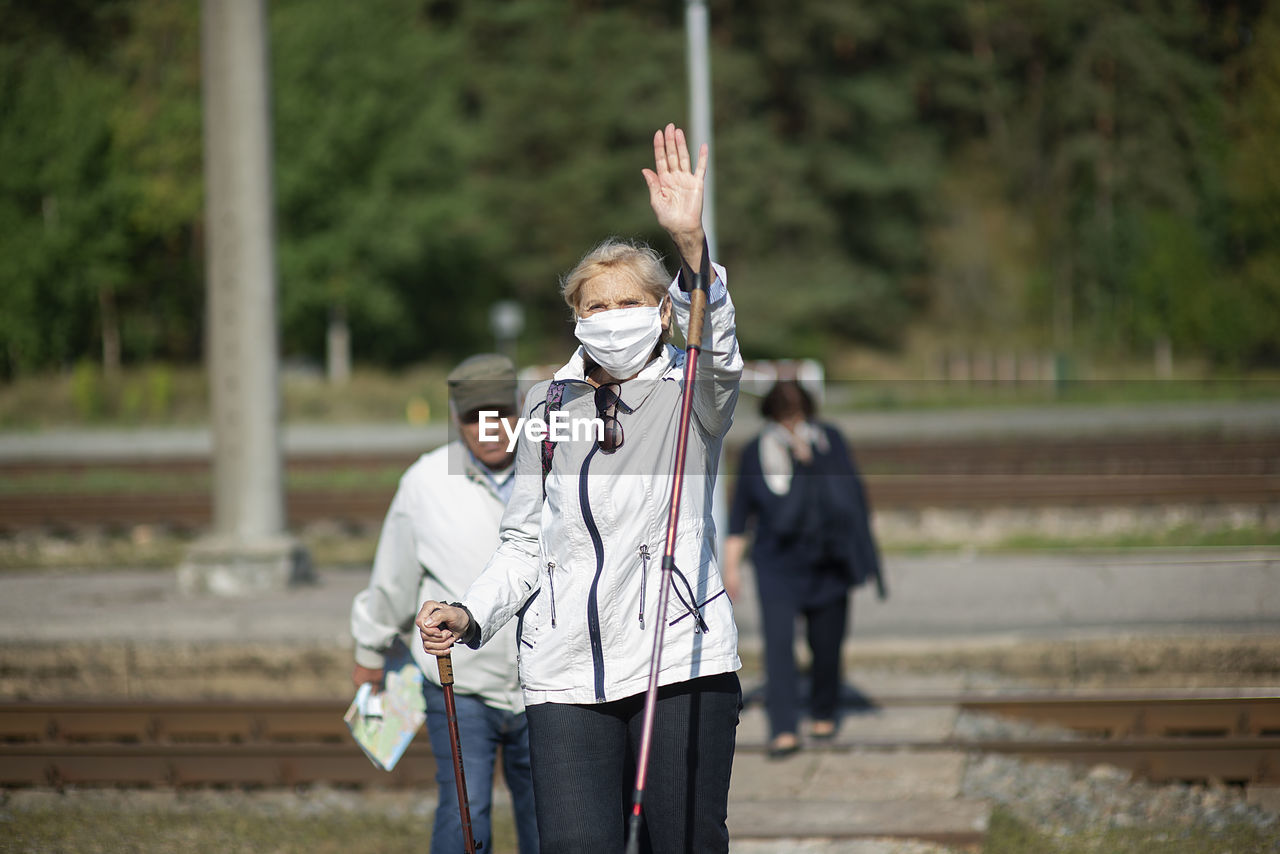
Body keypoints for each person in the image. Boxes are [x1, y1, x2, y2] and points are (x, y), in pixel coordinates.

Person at [416, 123, 743, 854]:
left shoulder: (695, 392)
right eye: (593, 306)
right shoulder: (544, 407)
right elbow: (526, 542)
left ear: (663, 312)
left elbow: (718, 345)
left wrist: (693, 249)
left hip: (680, 664)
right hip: (564, 677)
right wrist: (470, 611)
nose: (609, 318)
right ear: (575, 319)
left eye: (627, 303)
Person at [350, 353, 539, 854]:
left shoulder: (555, 470)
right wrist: (369, 653)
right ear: (456, 419)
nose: (488, 427)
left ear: (521, 410)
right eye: (473, 417)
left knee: (549, 825)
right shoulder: (425, 482)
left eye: (499, 413)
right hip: (458, 685)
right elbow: (393, 578)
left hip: (545, 686)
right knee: (465, 817)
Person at [722, 380, 885, 759]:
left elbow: (854, 498)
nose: (792, 425)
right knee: (778, 647)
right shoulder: (755, 453)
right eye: (784, 418)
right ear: (771, 417)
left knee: (827, 644)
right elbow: (740, 514)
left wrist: (868, 549)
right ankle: (783, 729)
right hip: (777, 563)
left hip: (830, 561)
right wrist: (731, 568)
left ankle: (824, 710)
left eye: (797, 417)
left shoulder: (829, 441)